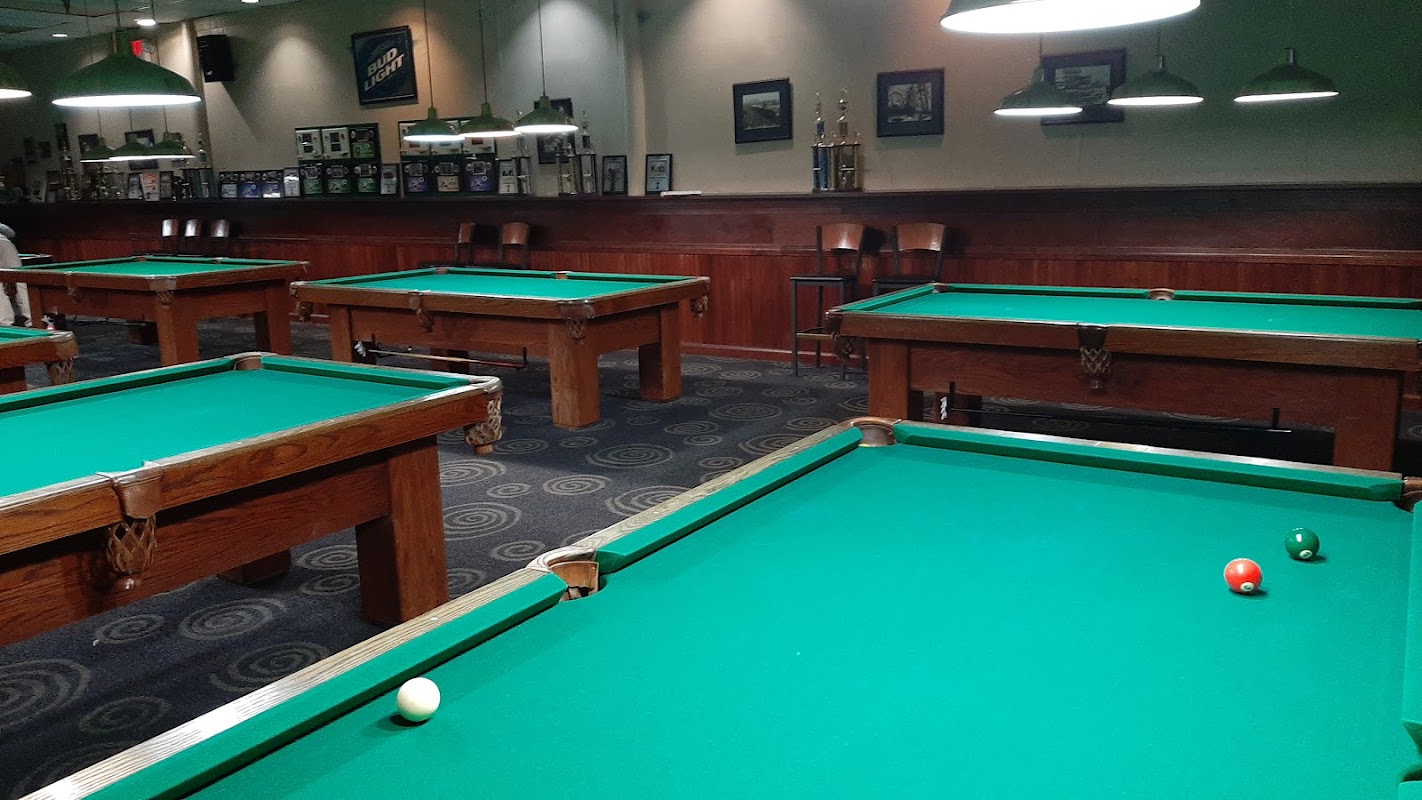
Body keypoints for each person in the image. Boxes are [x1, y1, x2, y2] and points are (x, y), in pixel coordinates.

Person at [0, 223, 32, 326]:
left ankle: (5, 322)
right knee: (20, 281)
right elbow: (10, 233)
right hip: (5, 243)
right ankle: (33, 319)